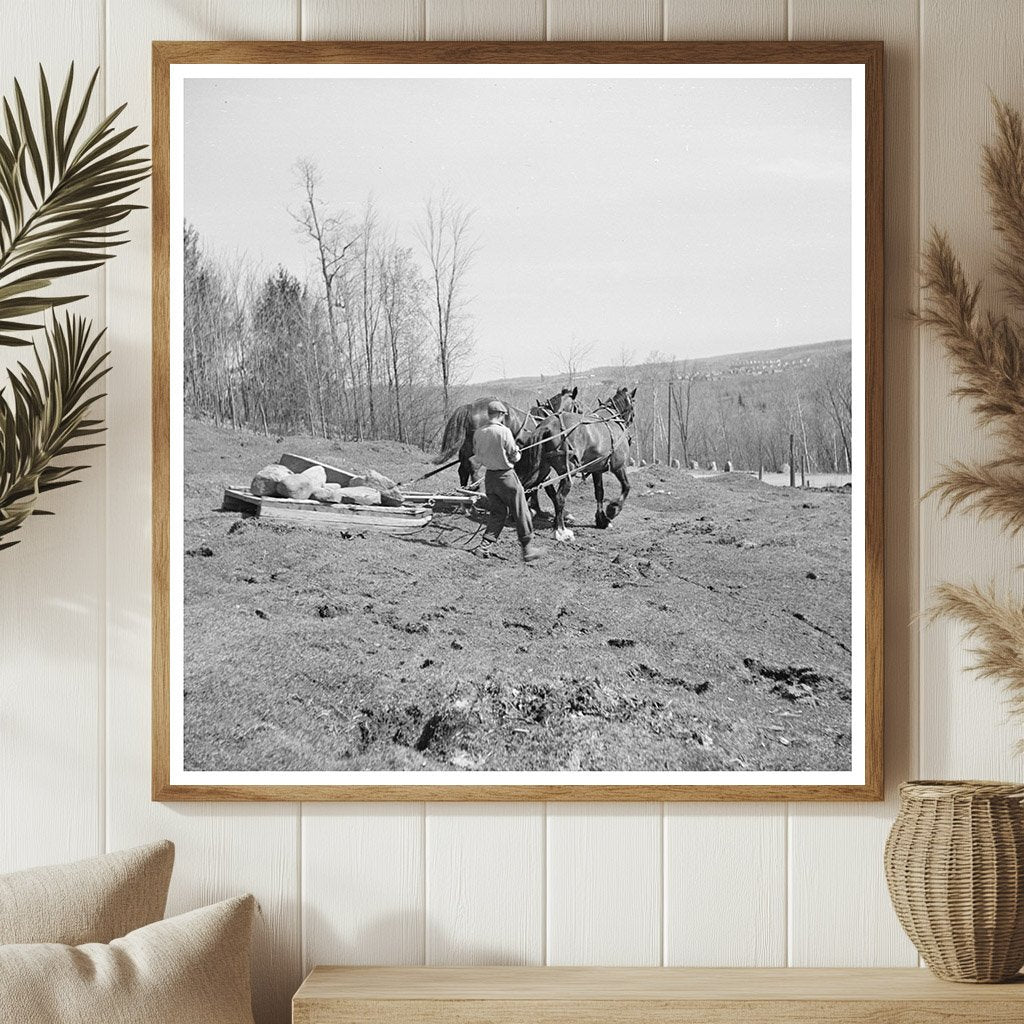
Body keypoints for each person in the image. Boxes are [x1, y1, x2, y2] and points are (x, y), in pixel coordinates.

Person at [472, 400, 546, 563]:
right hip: (506, 477)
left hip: (489, 478)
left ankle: (483, 547)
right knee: (521, 511)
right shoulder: (504, 432)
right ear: (500, 415)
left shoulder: (478, 432)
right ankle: (527, 549)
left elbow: (477, 455)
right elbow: (514, 455)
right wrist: (517, 454)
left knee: (498, 513)